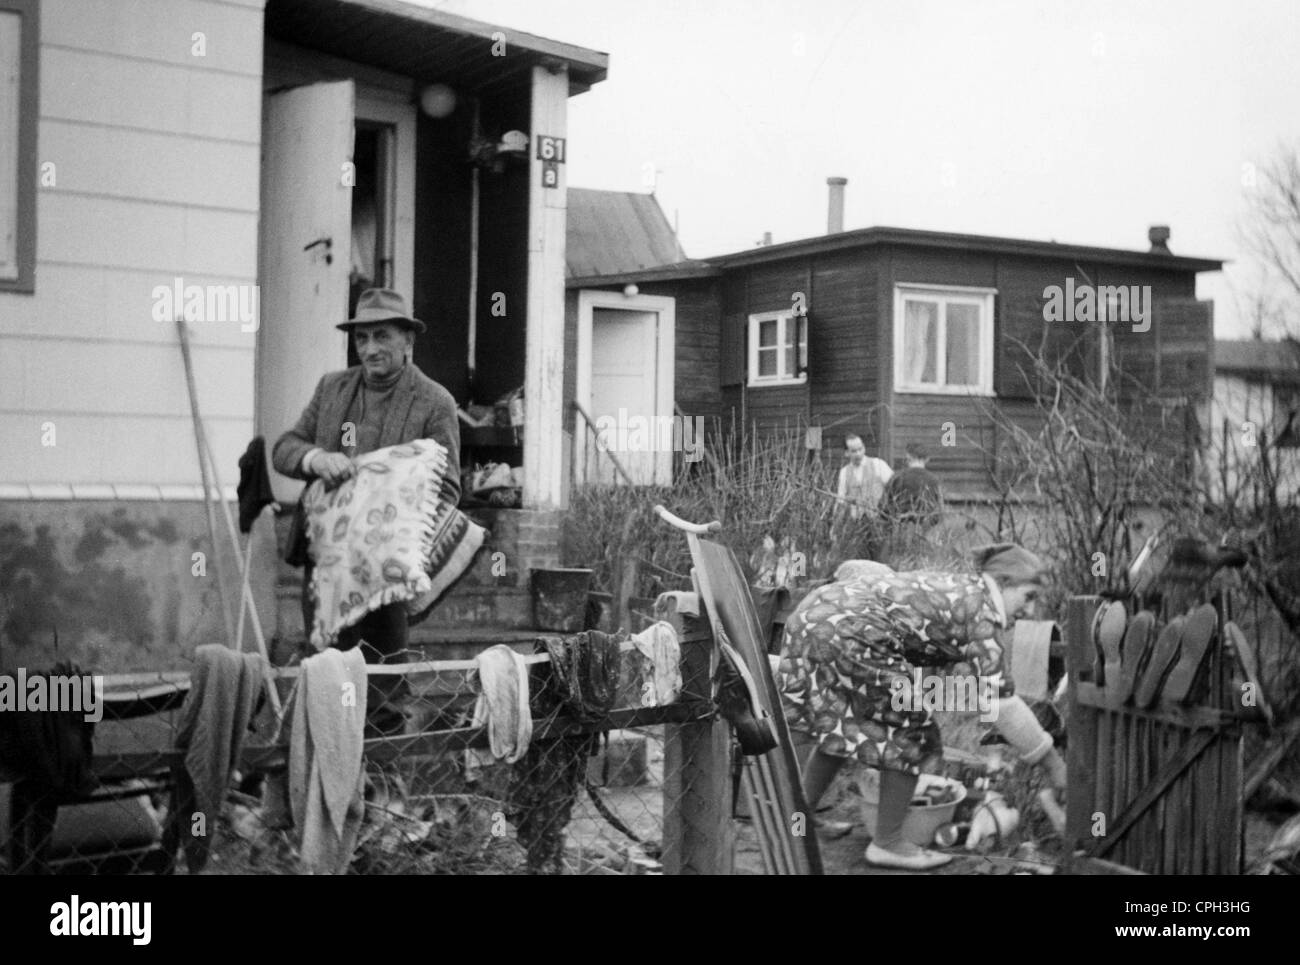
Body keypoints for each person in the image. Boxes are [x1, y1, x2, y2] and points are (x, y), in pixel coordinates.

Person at [777, 543, 1067, 870]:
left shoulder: (962, 590)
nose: (1030, 611)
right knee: (914, 733)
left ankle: (796, 819)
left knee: (844, 726)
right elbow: (1002, 704)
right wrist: (1053, 763)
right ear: (1001, 583)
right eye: (1028, 597)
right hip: (850, 630)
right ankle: (887, 844)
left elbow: (933, 654)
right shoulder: (982, 613)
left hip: (815, 614)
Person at [273, 288, 461, 735]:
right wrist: (315, 459)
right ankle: (323, 782)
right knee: (325, 673)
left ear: (407, 342)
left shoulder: (435, 402)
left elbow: (449, 488)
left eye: (381, 337)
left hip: (385, 573)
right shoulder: (332, 388)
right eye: (362, 339)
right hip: (328, 564)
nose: (370, 349)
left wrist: (396, 520)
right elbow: (285, 449)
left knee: (381, 688)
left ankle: (377, 788)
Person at [880, 443, 944, 529]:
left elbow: (883, 505)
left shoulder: (896, 477)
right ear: (927, 459)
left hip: (899, 527)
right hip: (925, 528)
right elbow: (939, 510)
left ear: (907, 458)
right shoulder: (934, 480)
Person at [835, 434, 893, 520]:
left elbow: (894, 487)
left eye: (860, 449)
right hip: (857, 523)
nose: (858, 454)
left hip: (879, 520)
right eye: (854, 451)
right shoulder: (844, 472)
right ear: (847, 453)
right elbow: (841, 501)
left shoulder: (878, 464)